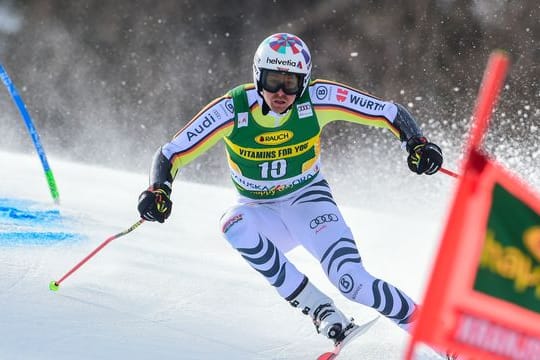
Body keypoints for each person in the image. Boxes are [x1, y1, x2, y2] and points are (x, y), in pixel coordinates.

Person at [137, 33, 450, 357]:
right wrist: (158, 188)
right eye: (273, 81)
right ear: (258, 75)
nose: (282, 93)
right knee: (232, 223)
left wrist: (416, 143)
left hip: (308, 202)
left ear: (306, 80)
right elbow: (171, 153)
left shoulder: (318, 98)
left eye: (292, 82)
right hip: (259, 210)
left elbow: (389, 112)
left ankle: (443, 339)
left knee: (352, 281)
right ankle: (324, 313)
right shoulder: (233, 109)